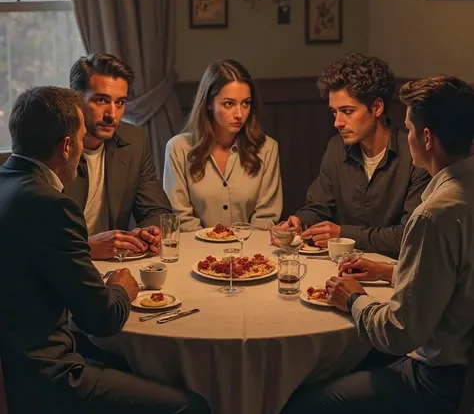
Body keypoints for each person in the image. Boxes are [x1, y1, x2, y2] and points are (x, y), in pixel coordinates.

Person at [0, 86, 210, 414]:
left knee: (132, 371)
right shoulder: (51, 205)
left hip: (13, 373)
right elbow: (103, 319)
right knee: (189, 411)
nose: (82, 149)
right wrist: (121, 287)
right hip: (43, 388)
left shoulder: (7, 183)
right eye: (80, 140)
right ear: (65, 146)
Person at [275, 75, 474, 414]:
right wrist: (393, 274)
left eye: (407, 128)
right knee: (357, 367)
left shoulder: (434, 215)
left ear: (426, 137)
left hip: (441, 387)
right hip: (463, 377)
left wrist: (353, 299)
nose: (405, 136)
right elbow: (456, 280)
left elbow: (401, 332)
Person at [272, 53, 430, 257]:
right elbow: (320, 207)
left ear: (377, 107)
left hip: (393, 272)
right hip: (342, 266)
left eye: (347, 111)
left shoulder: (414, 156)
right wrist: (300, 221)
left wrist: (344, 233)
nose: (337, 122)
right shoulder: (336, 148)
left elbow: (409, 235)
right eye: (334, 112)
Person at [64, 53, 172, 260]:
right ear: (75, 99)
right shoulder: (52, 146)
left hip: (115, 264)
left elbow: (157, 211)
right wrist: (86, 247)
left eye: (120, 102)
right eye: (101, 100)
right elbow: (31, 238)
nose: (112, 115)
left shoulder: (135, 140)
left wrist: (147, 233)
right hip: (62, 267)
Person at [163, 59, 283, 231]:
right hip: (195, 252)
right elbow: (180, 216)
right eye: (229, 104)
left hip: (250, 251)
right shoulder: (178, 148)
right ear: (209, 103)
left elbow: (266, 217)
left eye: (246, 103)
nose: (239, 114)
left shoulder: (267, 148)